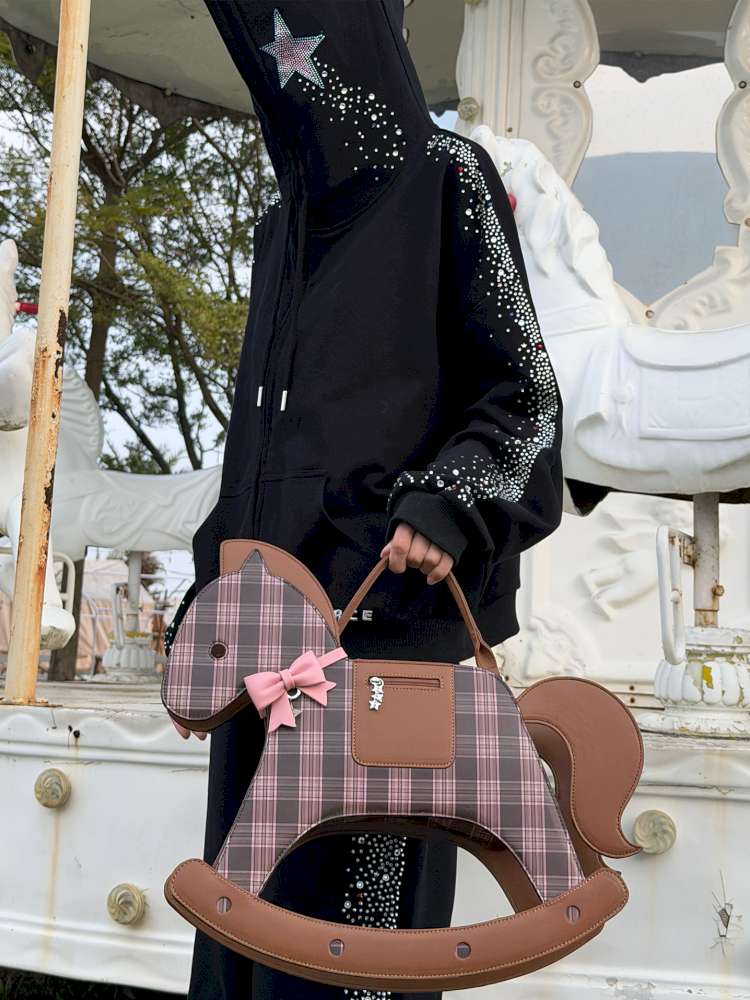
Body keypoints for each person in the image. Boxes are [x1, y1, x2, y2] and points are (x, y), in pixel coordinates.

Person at [170, 2, 566, 998]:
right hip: (266, 665)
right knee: (247, 936)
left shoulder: (448, 179)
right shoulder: (283, 229)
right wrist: (206, 602)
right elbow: (261, 450)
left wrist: (446, 505)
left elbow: (525, 398)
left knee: (361, 956)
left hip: (386, 661)